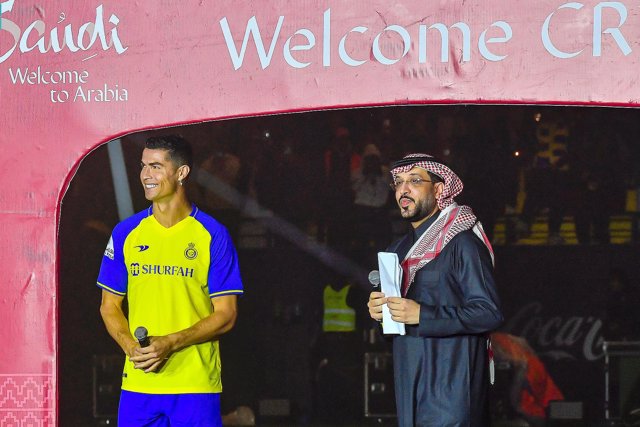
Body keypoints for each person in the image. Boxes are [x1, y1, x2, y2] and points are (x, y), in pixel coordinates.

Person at [96, 135, 244, 427]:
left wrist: (171, 342)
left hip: (194, 385)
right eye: (142, 166)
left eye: (155, 166)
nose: (145, 175)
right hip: (140, 386)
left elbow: (226, 315)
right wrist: (130, 347)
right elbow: (108, 306)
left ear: (181, 172)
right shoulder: (126, 233)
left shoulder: (212, 235)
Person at [367, 153, 503, 426]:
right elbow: (396, 327)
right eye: (399, 182)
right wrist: (381, 314)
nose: (404, 190)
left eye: (415, 180)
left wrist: (422, 315)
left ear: (439, 189)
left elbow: (489, 313)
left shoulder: (461, 243)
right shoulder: (398, 249)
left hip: (452, 396)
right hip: (410, 395)